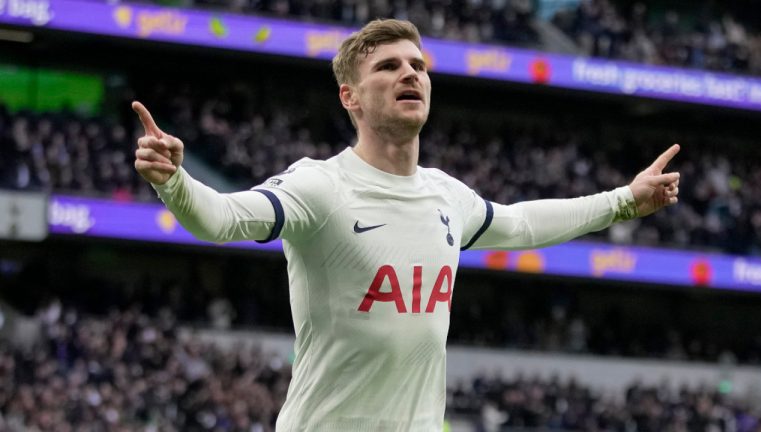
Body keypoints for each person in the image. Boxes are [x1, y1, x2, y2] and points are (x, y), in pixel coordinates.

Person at [132, 19, 680, 432]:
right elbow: (222, 219)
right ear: (351, 97)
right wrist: (174, 181)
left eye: (417, 65)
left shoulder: (445, 193)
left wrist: (623, 202)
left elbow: (521, 223)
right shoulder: (321, 186)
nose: (410, 73)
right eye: (388, 67)